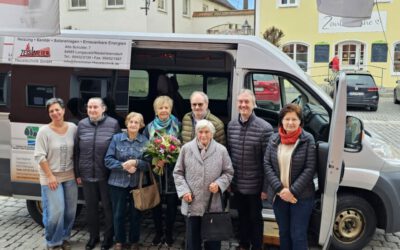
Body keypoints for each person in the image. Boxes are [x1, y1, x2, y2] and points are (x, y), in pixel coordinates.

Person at [173, 120, 234, 250]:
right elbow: (178, 173)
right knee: (192, 243)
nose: (203, 135)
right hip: (191, 204)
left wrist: (219, 184)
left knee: (212, 243)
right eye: (200, 132)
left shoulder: (221, 150)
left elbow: (228, 172)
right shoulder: (186, 149)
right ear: (196, 133)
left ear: (212, 134)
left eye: (207, 132)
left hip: (212, 205)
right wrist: (184, 191)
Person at [263, 103, 316, 250]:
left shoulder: (307, 139)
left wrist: (291, 191)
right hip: (279, 197)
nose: (290, 123)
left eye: (294, 119)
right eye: (287, 119)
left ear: (300, 121)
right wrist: (281, 190)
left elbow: (310, 168)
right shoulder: (274, 139)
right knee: (284, 233)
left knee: (298, 234)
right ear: (282, 121)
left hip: (301, 197)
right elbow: (267, 164)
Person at [227, 89, 273, 250]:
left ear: (253, 104)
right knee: (241, 216)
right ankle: (243, 244)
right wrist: (229, 181)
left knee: (255, 218)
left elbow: (268, 161)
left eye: (247, 102)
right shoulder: (231, 126)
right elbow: (230, 156)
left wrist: (265, 188)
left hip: (255, 185)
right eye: (240, 101)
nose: (243, 105)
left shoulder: (264, 128)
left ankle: (257, 246)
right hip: (237, 182)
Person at [74, 97, 120, 250]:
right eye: (89, 107)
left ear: (104, 108)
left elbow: (118, 150)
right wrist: (77, 174)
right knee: (91, 208)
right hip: (86, 174)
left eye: (95, 107)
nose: (92, 110)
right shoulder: (81, 125)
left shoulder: (113, 124)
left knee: (108, 208)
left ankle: (108, 238)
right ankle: (93, 237)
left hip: (106, 175)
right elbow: (76, 151)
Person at [34, 98, 78, 250]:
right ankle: (53, 242)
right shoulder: (43, 131)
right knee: (55, 211)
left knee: (70, 211)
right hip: (50, 176)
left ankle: (64, 237)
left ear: (64, 110)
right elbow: (39, 156)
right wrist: (50, 176)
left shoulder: (73, 128)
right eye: (51, 111)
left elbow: (78, 151)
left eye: (57, 109)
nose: (55, 113)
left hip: (70, 175)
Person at [104, 112, 150, 250]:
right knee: (118, 214)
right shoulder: (116, 139)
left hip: (137, 184)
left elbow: (149, 164)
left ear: (141, 125)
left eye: (136, 122)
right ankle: (119, 241)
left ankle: (134, 241)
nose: (133, 124)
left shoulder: (145, 141)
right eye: (131, 122)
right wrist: (124, 166)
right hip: (117, 183)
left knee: (136, 214)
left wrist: (136, 162)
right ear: (127, 123)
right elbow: (108, 160)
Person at [143, 95, 181, 247]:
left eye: (166, 107)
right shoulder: (149, 127)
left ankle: (169, 233)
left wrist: (170, 157)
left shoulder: (177, 125)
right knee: (156, 203)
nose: (164, 110)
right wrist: (155, 159)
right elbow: (145, 150)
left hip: (173, 170)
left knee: (172, 204)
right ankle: (158, 233)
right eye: (161, 108)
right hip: (155, 170)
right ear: (156, 110)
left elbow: (182, 146)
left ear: (170, 109)